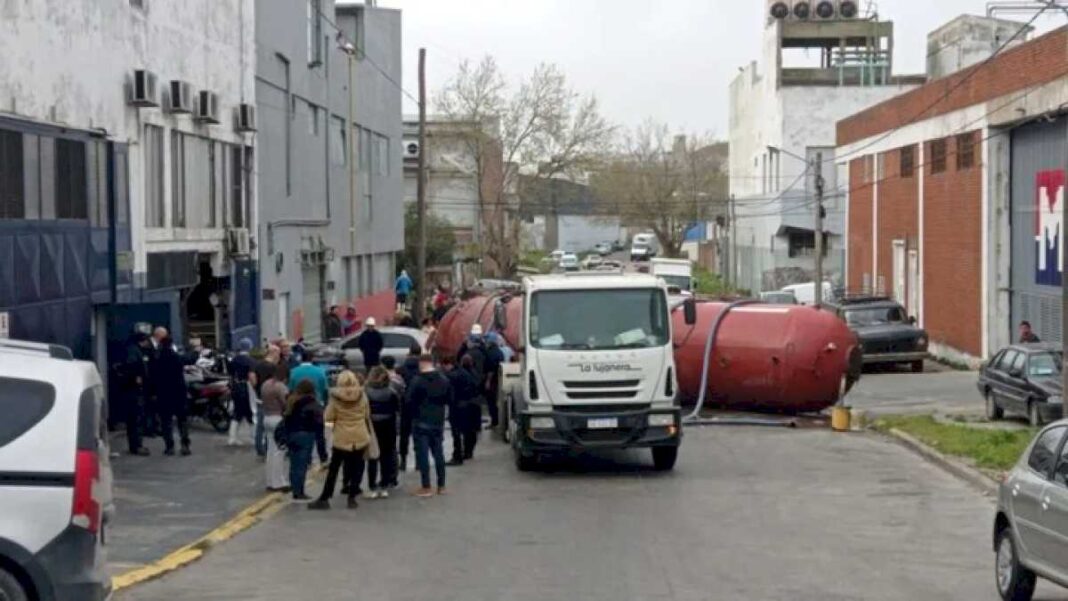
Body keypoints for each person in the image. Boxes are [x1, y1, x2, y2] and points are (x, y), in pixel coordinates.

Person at [309, 370, 372, 510]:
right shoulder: (362, 395)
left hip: (342, 437)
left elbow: (329, 418)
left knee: (334, 468)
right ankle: (352, 497)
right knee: (358, 466)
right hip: (360, 435)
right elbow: (367, 414)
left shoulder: (335, 398)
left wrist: (329, 432)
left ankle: (325, 497)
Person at [406, 353, 455, 497]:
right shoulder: (444, 380)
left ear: (421, 363)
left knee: (423, 455)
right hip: (437, 421)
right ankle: (442, 486)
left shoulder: (417, 381)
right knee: (438, 453)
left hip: (421, 421)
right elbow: (449, 399)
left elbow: (409, 400)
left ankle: (426, 486)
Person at [284, 379, 328, 501]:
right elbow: (320, 423)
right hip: (306, 435)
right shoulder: (313, 404)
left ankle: (294, 488)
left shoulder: (291, 401)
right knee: (302, 465)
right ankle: (299, 491)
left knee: (294, 464)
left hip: (292, 434)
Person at [365, 366, 401, 497]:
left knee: (373, 456)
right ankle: (385, 484)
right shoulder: (391, 392)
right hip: (388, 426)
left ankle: (372, 485)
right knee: (387, 456)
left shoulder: (366, 392)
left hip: (372, 426)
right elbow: (397, 410)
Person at [152, 337, 192, 456]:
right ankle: (185, 445)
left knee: (166, 422)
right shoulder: (177, 357)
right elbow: (187, 362)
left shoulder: (157, 359)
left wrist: (153, 393)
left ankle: (169, 446)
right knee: (182, 421)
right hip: (179, 393)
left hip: (163, 393)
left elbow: (153, 377)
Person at [443, 355, 481, 465]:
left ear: (448, 364)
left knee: (456, 432)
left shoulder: (451, 376)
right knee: (468, 430)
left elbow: (449, 393)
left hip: (457, 406)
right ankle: (468, 452)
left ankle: (457, 456)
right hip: (470, 404)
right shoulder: (466, 373)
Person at [120, 332, 153, 456]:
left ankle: (135, 445)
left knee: (134, 419)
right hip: (134, 390)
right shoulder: (134, 351)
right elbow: (133, 366)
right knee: (136, 418)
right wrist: (137, 378)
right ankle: (136, 445)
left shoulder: (133, 349)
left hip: (132, 389)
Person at [261, 363, 291, 492]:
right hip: (278, 419)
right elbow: (287, 404)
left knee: (271, 451)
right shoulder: (281, 387)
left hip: (267, 417)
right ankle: (279, 482)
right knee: (280, 452)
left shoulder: (265, 384)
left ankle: (270, 481)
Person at [396, 344, 422, 472]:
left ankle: (403, 460)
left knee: (404, 434)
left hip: (405, 404)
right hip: (419, 405)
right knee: (418, 433)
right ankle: (418, 461)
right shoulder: (422, 369)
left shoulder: (401, 368)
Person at [252, 345, 281, 457]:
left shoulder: (257, 365)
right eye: (277, 353)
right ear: (273, 352)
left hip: (260, 397)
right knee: (271, 425)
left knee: (260, 425)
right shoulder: (273, 367)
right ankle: (268, 447)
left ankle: (259, 448)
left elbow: (253, 380)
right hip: (271, 399)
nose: (278, 356)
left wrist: (257, 390)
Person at [228, 338, 257, 446]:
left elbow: (230, 374)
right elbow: (252, 376)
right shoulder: (251, 361)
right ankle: (255, 438)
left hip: (236, 387)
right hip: (247, 387)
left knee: (237, 412)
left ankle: (232, 437)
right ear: (249, 347)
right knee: (250, 412)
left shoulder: (234, 359)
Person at [483, 332, 506, 428]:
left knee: (491, 402)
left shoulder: (490, 353)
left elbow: (491, 369)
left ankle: (494, 421)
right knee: (496, 401)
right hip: (499, 379)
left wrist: (488, 381)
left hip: (492, 380)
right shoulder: (500, 352)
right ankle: (498, 420)